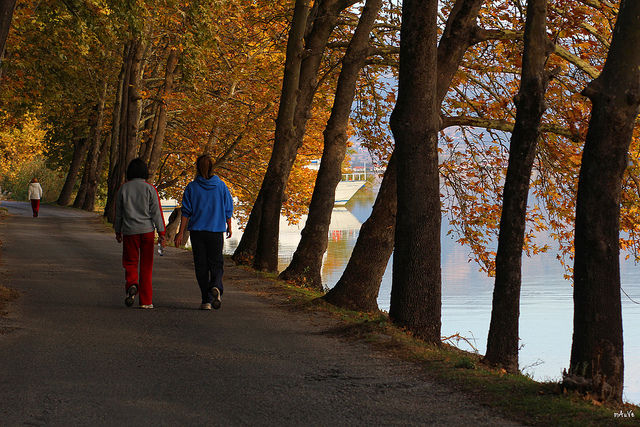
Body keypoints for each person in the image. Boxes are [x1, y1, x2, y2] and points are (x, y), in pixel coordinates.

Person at [174, 154, 233, 310]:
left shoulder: (191, 187)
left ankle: (206, 300)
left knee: (201, 266)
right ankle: (216, 287)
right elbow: (228, 208)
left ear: (197, 168)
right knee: (216, 263)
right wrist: (229, 226)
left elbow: (186, 212)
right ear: (212, 167)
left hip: (198, 232)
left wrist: (180, 233)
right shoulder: (221, 186)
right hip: (215, 231)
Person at [115, 158, 166, 309]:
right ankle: (146, 301)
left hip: (130, 232)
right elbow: (156, 212)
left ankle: (132, 284)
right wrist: (161, 232)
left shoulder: (123, 189)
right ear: (144, 172)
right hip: (147, 232)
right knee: (146, 266)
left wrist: (118, 231)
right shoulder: (150, 189)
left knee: (130, 262)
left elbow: (118, 213)